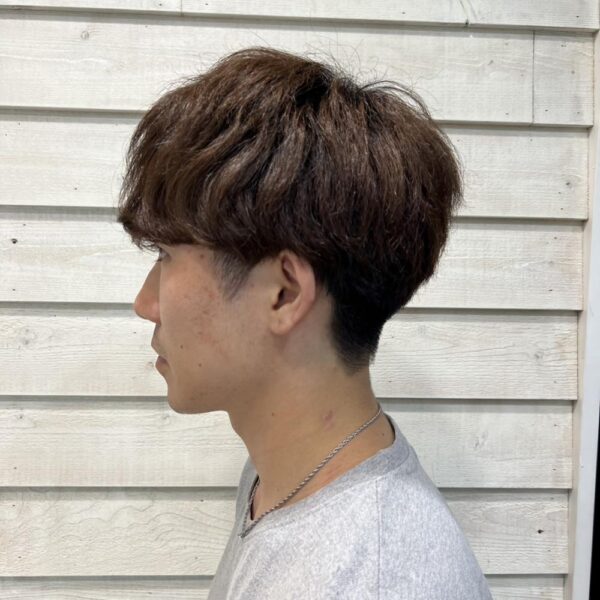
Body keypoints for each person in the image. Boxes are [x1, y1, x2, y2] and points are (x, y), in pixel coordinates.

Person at [118, 46, 493, 599]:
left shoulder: (372, 581)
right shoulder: (281, 474)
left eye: (167, 256)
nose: (144, 303)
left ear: (285, 293)